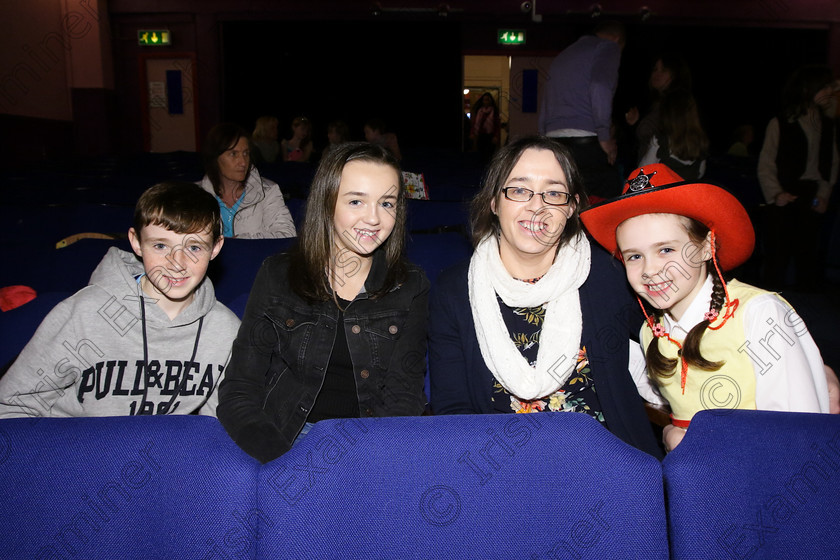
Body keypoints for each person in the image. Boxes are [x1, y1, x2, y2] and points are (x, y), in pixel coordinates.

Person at [428, 135, 662, 458]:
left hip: (609, 466)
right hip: (501, 475)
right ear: (495, 202)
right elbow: (454, 412)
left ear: (571, 207)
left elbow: (673, 338)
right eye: (520, 190)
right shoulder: (454, 291)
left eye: (553, 193)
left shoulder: (607, 275)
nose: (537, 206)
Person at [581, 163, 831, 451]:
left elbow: (799, 437)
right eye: (634, 256)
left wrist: (688, 442)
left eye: (666, 250)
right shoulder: (653, 333)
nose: (650, 270)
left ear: (705, 246)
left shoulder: (760, 315)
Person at [217, 142, 430, 463]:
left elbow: (404, 396)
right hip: (285, 438)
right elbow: (239, 390)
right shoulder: (278, 275)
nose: (374, 219)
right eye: (356, 201)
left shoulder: (410, 285)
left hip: (371, 443)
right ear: (326, 202)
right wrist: (281, 462)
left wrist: (365, 462)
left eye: (387, 203)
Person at [0, 182, 240, 418]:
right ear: (136, 242)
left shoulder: (225, 330)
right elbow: (11, 408)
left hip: (157, 453)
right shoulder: (85, 314)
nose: (177, 264)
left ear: (216, 248)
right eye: (160, 245)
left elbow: (218, 426)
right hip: (72, 450)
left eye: (195, 248)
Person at [757, 64, 839, 292]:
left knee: (809, 259)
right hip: (784, 194)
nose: (828, 92)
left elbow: (830, 164)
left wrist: (824, 194)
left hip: (810, 194)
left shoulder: (827, 124)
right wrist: (775, 193)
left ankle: (808, 315)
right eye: (823, 87)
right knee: (776, 258)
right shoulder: (781, 122)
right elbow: (766, 162)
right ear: (807, 88)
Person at [538, 20, 626, 201]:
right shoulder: (608, 47)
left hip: (555, 141)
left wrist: (543, 140)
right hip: (587, 141)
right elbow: (600, 85)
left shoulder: (564, 55)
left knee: (564, 200)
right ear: (618, 40)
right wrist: (604, 136)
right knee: (609, 200)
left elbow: (546, 98)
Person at [199, 122, 296, 239]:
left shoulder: (267, 191)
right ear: (215, 158)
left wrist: (241, 241)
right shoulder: (196, 196)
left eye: (246, 153)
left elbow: (287, 235)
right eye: (233, 154)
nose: (243, 162)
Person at [638, 89, 709, 180]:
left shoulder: (660, 142)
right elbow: (700, 173)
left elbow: (642, 173)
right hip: (686, 192)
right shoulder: (701, 144)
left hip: (663, 193)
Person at [470, 92, 501, 161]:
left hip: (490, 136)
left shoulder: (494, 111)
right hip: (480, 135)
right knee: (480, 154)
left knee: (489, 155)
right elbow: (475, 123)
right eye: (484, 100)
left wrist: (496, 136)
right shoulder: (479, 111)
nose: (485, 102)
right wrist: (472, 132)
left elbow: (497, 125)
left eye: (487, 100)